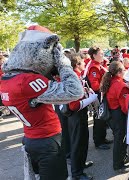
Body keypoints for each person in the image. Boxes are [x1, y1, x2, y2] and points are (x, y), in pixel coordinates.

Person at [0, 25, 84, 180]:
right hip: (47, 141)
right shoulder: (26, 81)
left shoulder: (7, 79)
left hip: (30, 138)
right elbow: (75, 91)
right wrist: (63, 64)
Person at [68, 54, 97, 180]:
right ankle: (76, 173)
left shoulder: (77, 76)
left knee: (83, 141)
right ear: (77, 65)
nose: (85, 64)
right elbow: (73, 105)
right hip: (76, 115)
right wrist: (90, 99)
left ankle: (80, 164)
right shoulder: (73, 78)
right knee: (77, 144)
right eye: (82, 63)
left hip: (81, 114)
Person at [100, 61, 129, 173]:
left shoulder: (111, 82)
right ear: (118, 72)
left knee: (119, 138)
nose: (125, 71)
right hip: (118, 116)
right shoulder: (121, 86)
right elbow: (125, 107)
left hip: (111, 115)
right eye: (123, 70)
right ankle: (118, 165)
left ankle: (122, 158)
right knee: (120, 140)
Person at [87, 46, 112, 150]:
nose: (103, 56)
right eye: (101, 54)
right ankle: (98, 141)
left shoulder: (99, 65)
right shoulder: (94, 67)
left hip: (102, 94)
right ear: (94, 55)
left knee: (103, 119)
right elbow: (95, 85)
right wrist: (107, 85)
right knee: (99, 119)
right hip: (98, 95)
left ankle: (102, 138)